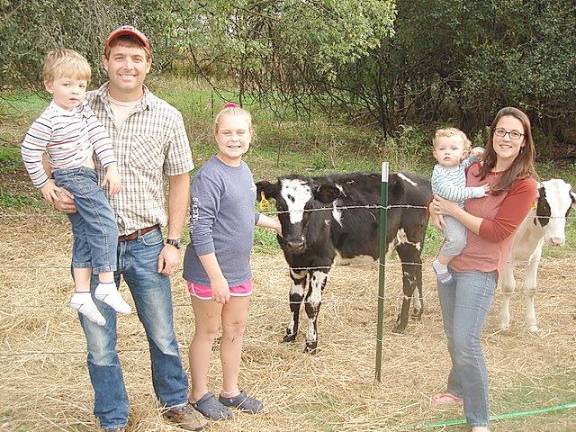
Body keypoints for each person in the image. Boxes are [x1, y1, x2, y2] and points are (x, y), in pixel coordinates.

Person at [51, 26, 207, 432]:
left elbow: (179, 181)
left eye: (136, 58)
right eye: (119, 56)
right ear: (106, 62)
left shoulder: (168, 116)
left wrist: (174, 241)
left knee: (162, 332)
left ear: (148, 65)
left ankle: (174, 401)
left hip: (146, 242)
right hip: (92, 246)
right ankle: (113, 416)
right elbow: (47, 151)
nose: (127, 65)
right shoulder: (78, 105)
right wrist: (51, 190)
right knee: (100, 340)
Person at [429, 107, 538, 432]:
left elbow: (497, 231)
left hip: (482, 268)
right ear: (492, 135)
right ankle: (457, 389)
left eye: (514, 134)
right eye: (501, 131)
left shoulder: (523, 185)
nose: (506, 138)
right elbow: (444, 189)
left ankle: (479, 420)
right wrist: (433, 207)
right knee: (453, 335)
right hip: (452, 261)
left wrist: (453, 212)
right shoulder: (474, 168)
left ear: (523, 142)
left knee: (466, 340)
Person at [182, 103, 282, 421]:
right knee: (208, 330)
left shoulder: (245, 171)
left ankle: (231, 391)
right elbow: (200, 229)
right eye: (227, 132)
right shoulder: (209, 177)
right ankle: (198, 394)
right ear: (216, 135)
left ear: (251, 135)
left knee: (235, 328)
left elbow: (241, 213)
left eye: (240, 132)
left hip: (239, 271)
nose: (234, 138)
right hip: (209, 273)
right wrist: (215, 277)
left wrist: (274, 223)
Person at [21, 48, 131, 326]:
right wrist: (44, 183)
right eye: (67, 84)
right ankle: (106, 282)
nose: (75, 91)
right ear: (49, 85)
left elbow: (98, 136)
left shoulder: (81, 109)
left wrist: (112, 166)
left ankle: (82, 292)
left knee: (83, 234)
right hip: (73, 176)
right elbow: (29, 150)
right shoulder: (49, 119)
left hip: (88, 174)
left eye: (81, 85)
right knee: (106, 224)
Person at [430, 128, 489, 285]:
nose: (447, 153)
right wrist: (477, 191)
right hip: (447, 213)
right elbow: (451, 194)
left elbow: (468, 162)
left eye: (453, 149)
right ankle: (440, 264)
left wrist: (476, 154)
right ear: (435, 153)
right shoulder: (439, 173)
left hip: (457, 211)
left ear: (463, 153)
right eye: (442, 149)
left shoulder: (458, 166)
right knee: (457, 240)